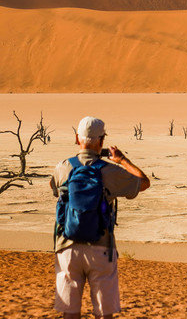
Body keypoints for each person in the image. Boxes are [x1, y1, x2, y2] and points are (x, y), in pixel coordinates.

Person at [50, 116, 150, 319]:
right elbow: (143, 182)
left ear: (77, 138)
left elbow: (54, 188)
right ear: (101, 141)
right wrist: (122, 160)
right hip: (101, 246)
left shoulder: (62, 167)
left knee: (70, 312)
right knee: (104, 313)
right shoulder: (110, 171)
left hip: (67, 247)